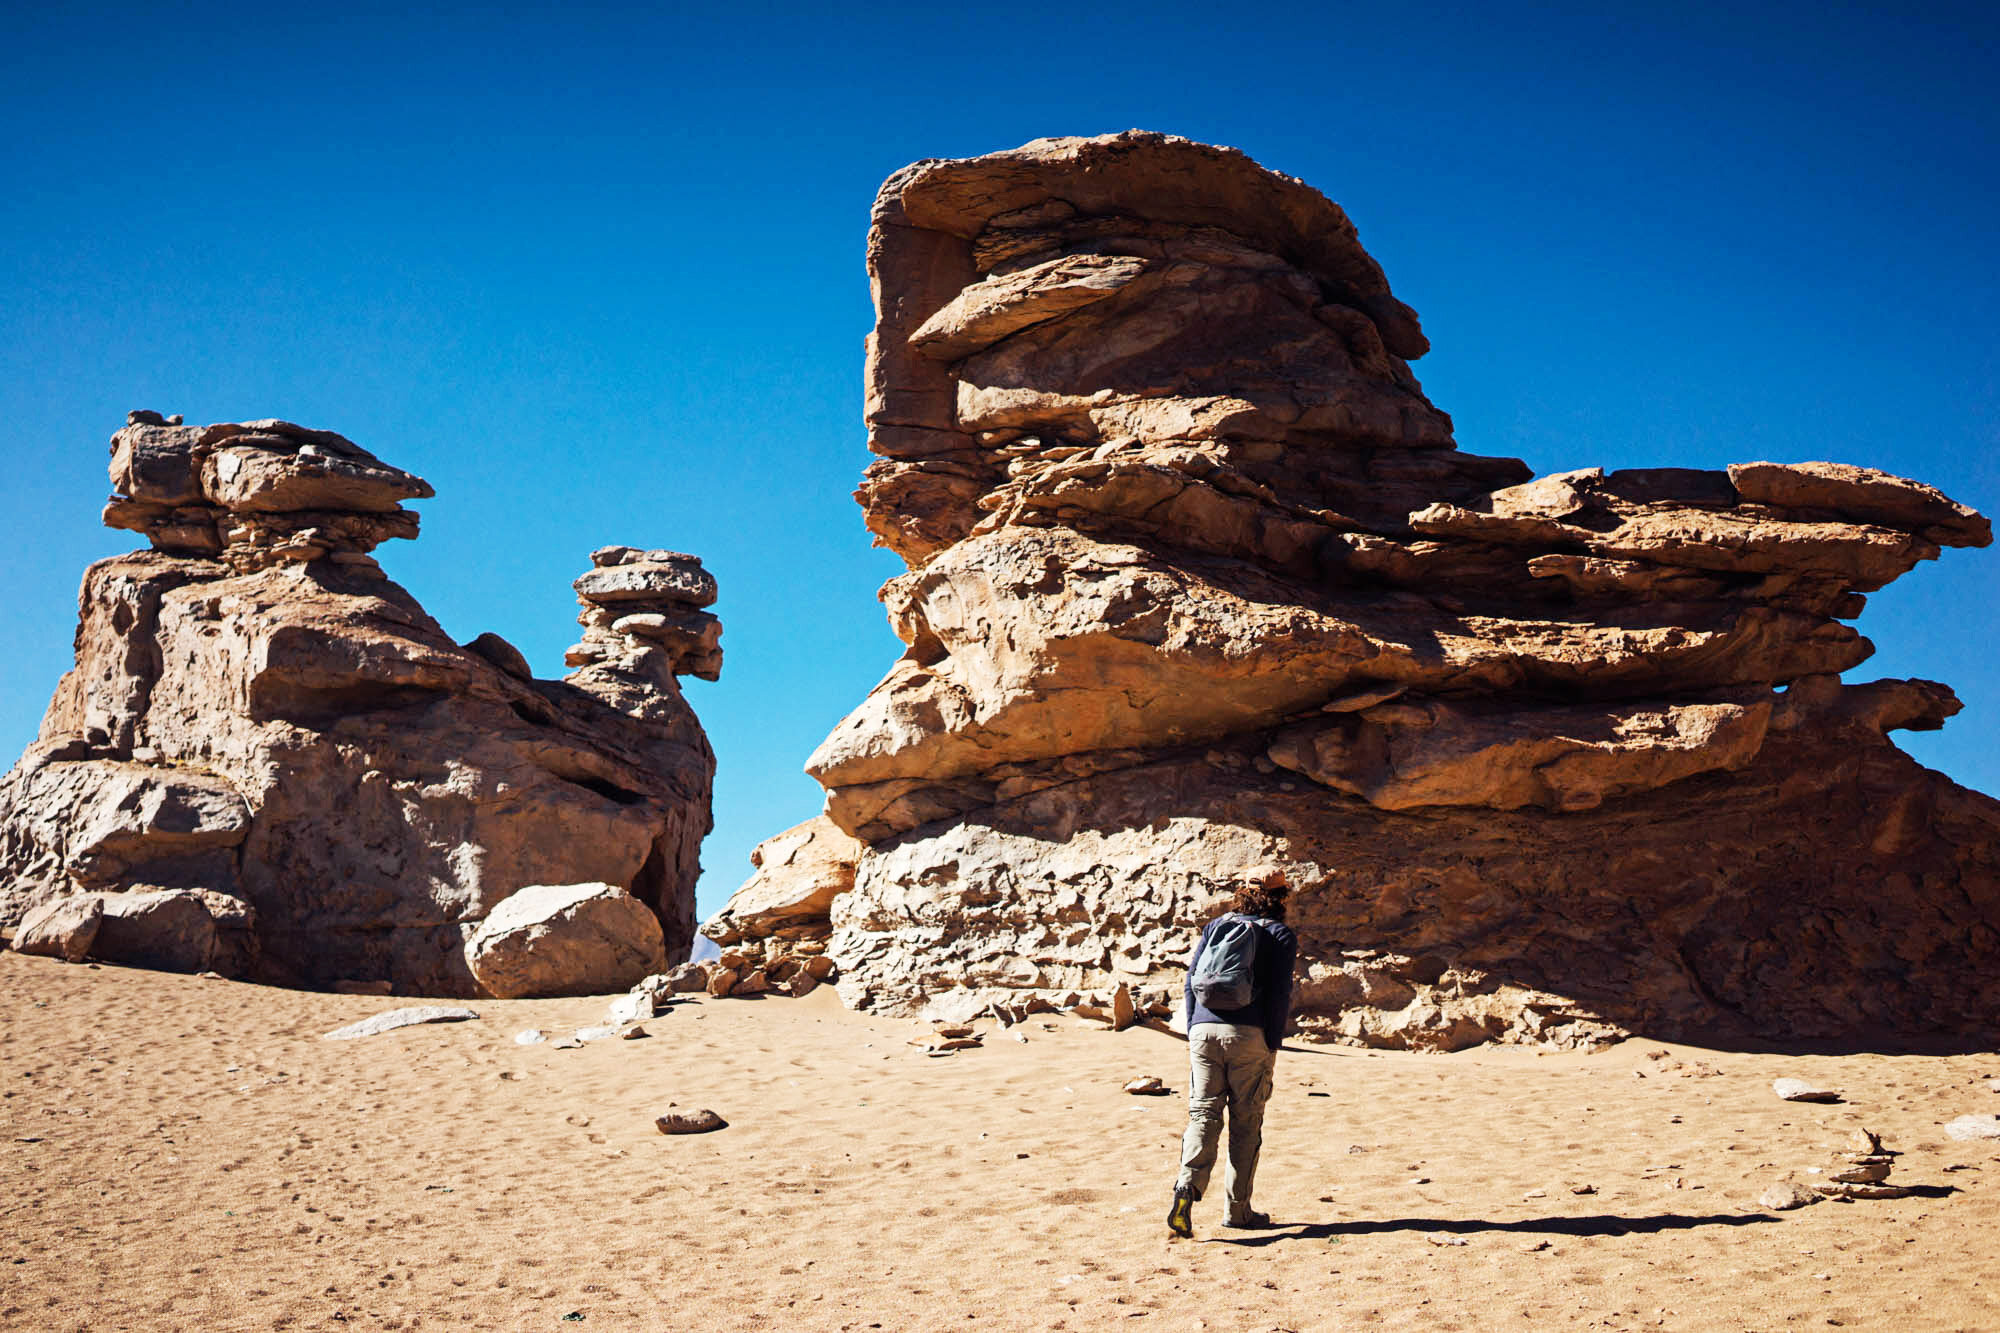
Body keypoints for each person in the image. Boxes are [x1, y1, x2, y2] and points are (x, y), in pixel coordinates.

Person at [1167, 872, 1296, 1237]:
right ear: (1279, 897)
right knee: (1245, 1124)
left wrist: (1194, 1027)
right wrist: (1271, 1041)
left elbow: (1191, 979)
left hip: (1204, 1034)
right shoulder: (1279, 934)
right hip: (1249, 1035)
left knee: (1203, 1113)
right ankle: (1237, 1212)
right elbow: (1279, 993)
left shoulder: (1214, 927)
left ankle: (1186, 1187)